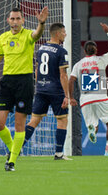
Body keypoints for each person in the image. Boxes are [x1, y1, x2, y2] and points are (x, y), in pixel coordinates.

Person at [0, 6, 48, 171]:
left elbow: (37, 34)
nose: (15, 22)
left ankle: (11, 161)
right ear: (8, 20)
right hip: (7, 82)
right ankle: (13, 148)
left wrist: (41, 24)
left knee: (19, 125)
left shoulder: (28, 35)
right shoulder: (3, 38)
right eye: (13, 19)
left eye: (18, 19)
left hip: (24, 82)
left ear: (23, 20)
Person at [22, 23, 72, 160]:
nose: (65, 35)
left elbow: (37, 71)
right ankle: (59, 153)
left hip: (41, 90)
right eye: (64, 32)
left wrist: (38, 87)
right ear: (57, 34)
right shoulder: (62, 51)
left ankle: (17, 149)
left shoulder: (41, 49)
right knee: (62, 121)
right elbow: (63, 75)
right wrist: (66, 96)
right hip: (56, 91)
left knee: (34, 120)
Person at [69, 23, 108, 156]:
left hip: (85, 99)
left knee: (93, 126)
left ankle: (92, 129)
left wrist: (71, 97)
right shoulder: (101, 60)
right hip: (101, 97)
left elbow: (71, 80)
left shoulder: (78, 65)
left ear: (85, 51)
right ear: (96, 50)